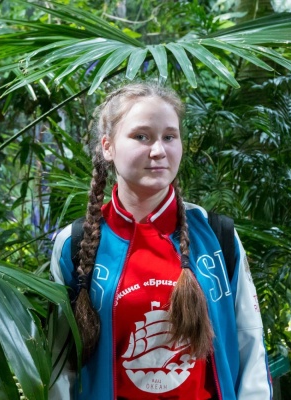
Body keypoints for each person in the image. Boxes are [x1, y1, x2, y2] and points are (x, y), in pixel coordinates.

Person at [49, 82, 272, 399]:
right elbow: (59, 367)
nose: (158, 151)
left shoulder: (216, 236)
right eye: (141, 136)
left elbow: (249, 345)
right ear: (108, 147)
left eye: (169, 137)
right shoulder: (75, 244)